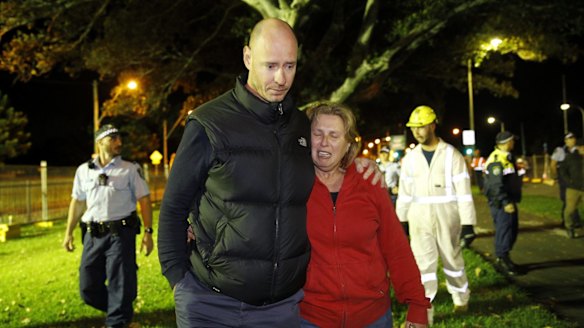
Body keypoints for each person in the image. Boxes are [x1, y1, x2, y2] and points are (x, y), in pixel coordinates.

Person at [157, 18, 381, 327]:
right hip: (210, 303)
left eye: (290, 66)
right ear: (248, 57)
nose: (281, 78)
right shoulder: (209, 123)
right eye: (270, 65)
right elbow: (173, 206)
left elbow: (329, 160)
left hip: (282, 308)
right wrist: (178, 280)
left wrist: (357, 165)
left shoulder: (301, 126)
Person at [300, 102, 430, 328]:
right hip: (312, 317)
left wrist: (417, 304)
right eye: (317, 134)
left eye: (334, 135)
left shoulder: (369, 183)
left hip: (372, 316)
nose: (324, 142)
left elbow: (395, 246)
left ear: (348, 143)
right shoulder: (292, 187)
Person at [62, 123, 154, 328]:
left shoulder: (130, 169)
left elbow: (145, 200)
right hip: (92, 235)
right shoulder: (84, 171)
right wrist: (68, 233)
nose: (119, 142)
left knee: (119, 281)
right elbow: (77, 203)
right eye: (113, 139)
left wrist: (148, 232)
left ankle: (117, 322)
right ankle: (119, 310)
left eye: (119, 138)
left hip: (120, 234)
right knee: (88, 287)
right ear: (100, 142)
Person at [396, 105, 477, 324]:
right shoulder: (410, 158)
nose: (417, 132)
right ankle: (424, 311)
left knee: (452, 260)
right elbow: (404, 193)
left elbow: (464, 193)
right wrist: (401, 220)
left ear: (432, 125)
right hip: (418, 217)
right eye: (414, 128)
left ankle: (461, 299)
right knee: (422, 266)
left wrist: (468, 223)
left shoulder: (452, 155)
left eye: (421, 127)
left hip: (447, 216)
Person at [483, 131, 523, 275]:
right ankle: (502, 259)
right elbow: (495, 185)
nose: (514, 143)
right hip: (501, 202)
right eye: (512, 141)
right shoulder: (497, 159)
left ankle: (505, 257)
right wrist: (505, 202)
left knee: (511, 229)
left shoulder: (507, 157)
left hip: (508, 200)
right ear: (506, 142)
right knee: (504, 230)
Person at [551, 132, 582, 228]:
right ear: (565, 140)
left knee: (573, 200)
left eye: (573, 138)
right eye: (569, 138)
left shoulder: (577, 150)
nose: (572, 140)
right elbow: (553, 164)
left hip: (577, 179)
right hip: (564, 178)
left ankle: (572, 220)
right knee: (566, 199)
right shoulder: (560, 151)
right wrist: (555, 177)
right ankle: (569, 221)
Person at [558, 133, 583, 238]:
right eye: (581, 147)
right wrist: (569, 181)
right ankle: (570, 227)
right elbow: (562, 170)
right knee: (570, 210)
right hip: (573, 188)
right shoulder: (571, 157)